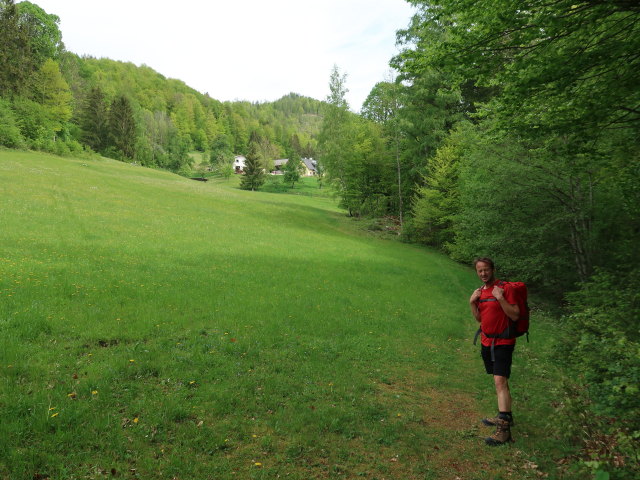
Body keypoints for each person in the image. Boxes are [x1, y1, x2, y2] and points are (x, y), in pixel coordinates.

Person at [469, 257, 520, 446]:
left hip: (503, 341)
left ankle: (504, 430)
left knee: (500, 380)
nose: (483, 273)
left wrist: (500, 298)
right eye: (480, 271)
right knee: (499, 380)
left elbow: (515, 314)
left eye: (486, 270)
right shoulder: (480, 291)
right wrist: (472, 303)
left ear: (493, 269)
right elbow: (479, 319)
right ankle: (506, 417)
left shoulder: (505, 289)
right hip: (486, 341)